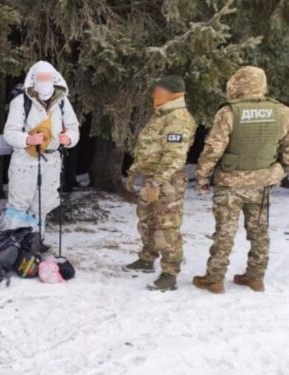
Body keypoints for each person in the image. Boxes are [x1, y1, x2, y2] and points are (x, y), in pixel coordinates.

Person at [193, 66, 289, 294]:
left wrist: (203, 175)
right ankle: (256, 278)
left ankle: (215, 279)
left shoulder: (229, 112)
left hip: (230, 183)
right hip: (262, 183)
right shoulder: (282, 112)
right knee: (259, 231)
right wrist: (281, 171)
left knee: (225, 231)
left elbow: (213, 148)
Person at [122, 75, 197, 291]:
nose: (153, 94)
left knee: (166, 227)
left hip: (167, 181)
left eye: (158, 90)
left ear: (170, 93)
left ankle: (169, 273)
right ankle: (147, 259)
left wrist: (156, 182)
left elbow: (174, 156)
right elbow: (150, 151)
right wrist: (135, 173)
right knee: (147, 221)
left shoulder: (178, 119)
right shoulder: (161, 115)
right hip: (152, 179)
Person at [0, 61, 80, 235]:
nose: (44, 81)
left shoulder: (62, 102)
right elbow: (9, 133)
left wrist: (69, 138)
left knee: (42, 205)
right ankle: (13, 245)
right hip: (24, 161)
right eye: (40, 78)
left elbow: (73, 127)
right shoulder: (21, 102)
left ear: (54, 78)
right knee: (19, 205)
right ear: (33, 79)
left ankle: (36, 242)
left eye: (47, 78)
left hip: (51, 161)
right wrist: (28, 139)